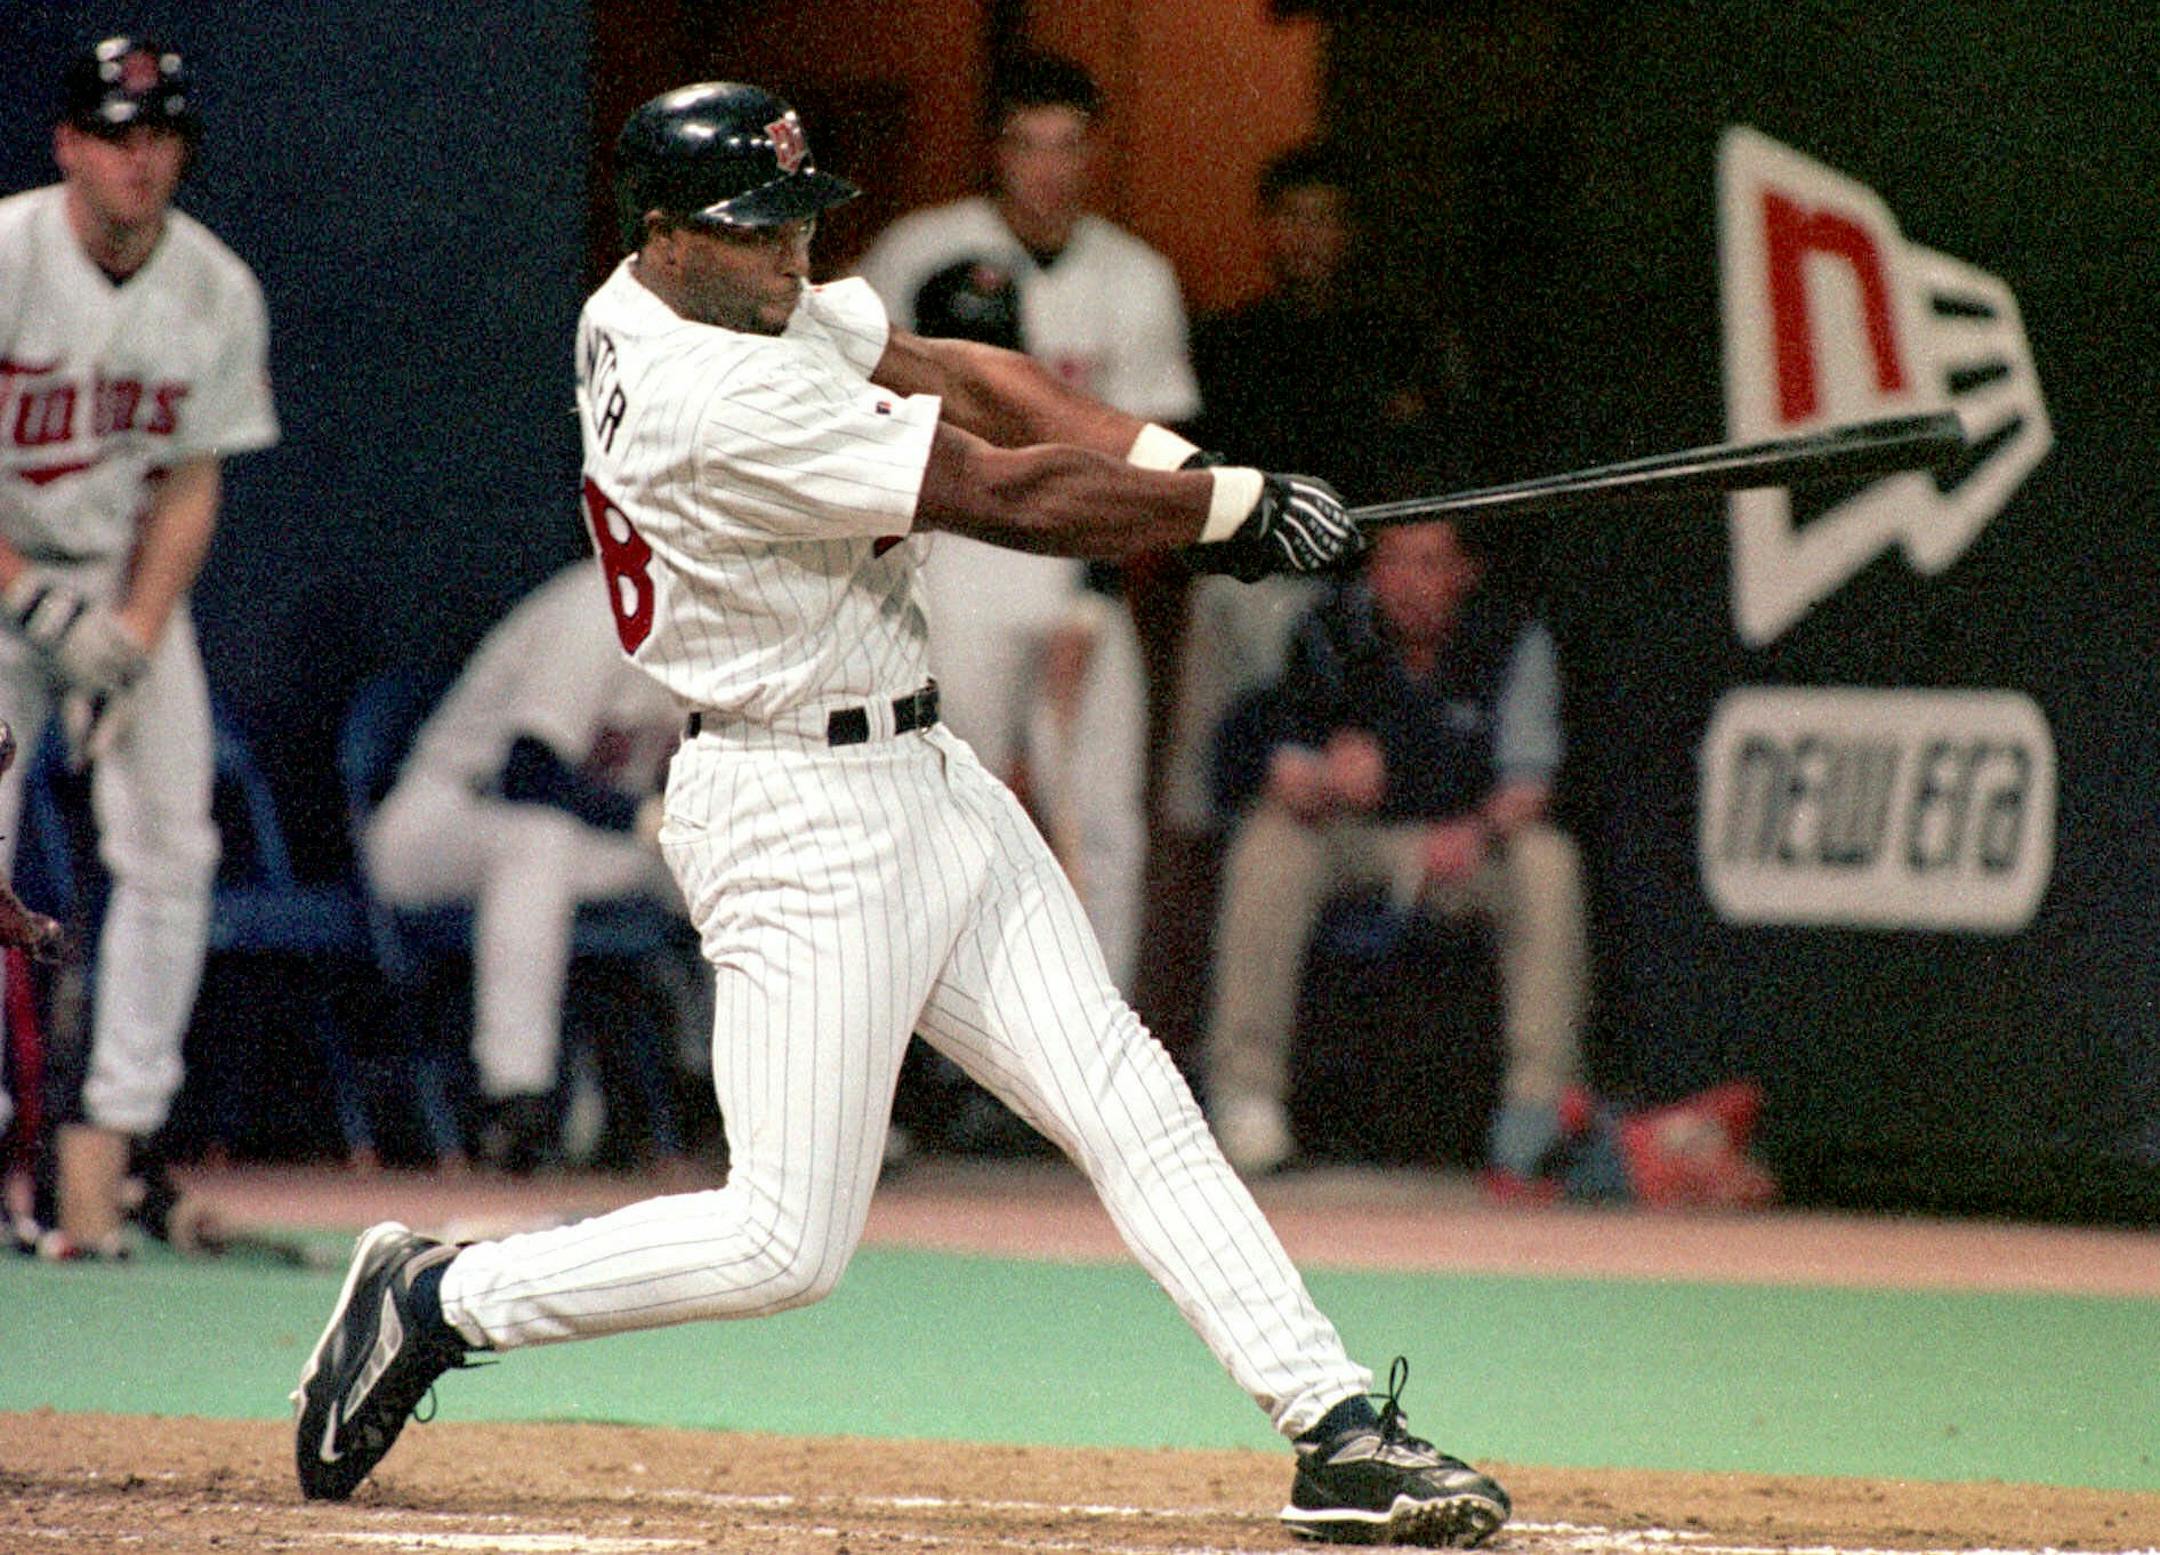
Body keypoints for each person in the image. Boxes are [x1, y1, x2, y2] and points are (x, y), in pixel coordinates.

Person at [290, 81, 1509, 1548]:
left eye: (800, 217)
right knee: (783, 1242)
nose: (792, 250)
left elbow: (964, 370)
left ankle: (1332, 1423)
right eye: (758, 228)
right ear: (665, 232)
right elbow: (995, 490)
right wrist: (1225, 518)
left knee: (1124, 1092)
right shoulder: (710, 396)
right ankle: (438, 1295)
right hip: (794, 810)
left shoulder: (694, 295)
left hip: (924, 769)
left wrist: (1178, 469)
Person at [0, 37, 277, 1258]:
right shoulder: (9, 256)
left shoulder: (215, 285)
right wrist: (32, 605)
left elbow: (189, 481)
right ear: (68, 143)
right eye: (116, 133)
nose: (140, 158)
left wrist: (133, 633)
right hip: (6, 576)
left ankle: (119, 1132)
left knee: (173, 845)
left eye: (160, 134)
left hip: (123, 586)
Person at [853, 51, 1194, 992]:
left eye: (1067, 145)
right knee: (948, 810)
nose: (1048, 168)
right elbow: (855, 409)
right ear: (995, 152)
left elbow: (1151, 460)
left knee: (1103, 816)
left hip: (1080, 565)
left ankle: (1100, 1034)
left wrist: (1089, 598)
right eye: (1027, 144)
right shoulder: (920, 250)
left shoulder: (1137, 276)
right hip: (952, 565)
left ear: (1093, 153)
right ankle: (949, 1048)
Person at [1201, 520, 1590, 1190]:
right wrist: (1327, 777)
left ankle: (1537, 1110)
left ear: (1465, 572)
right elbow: (1283, 773)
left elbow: (1530, 786)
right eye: (1395, 563)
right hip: (1359, 844)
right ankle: (1247, 1096)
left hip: (1465, 848)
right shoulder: (1328, 632)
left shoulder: (1508, 639)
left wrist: (1474, 830)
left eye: (1429, 563)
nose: (1410, 583)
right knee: (1270, 843)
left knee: (1546, 861)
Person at [361, 561, 688, 1173]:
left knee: (729, 862)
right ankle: (516, 1101)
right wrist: (646, 819)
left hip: (580, 839)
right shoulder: (599, 606)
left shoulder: (723, 618)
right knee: (536, 843)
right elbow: (528, 773)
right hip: (444, 820)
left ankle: (743, 1096)